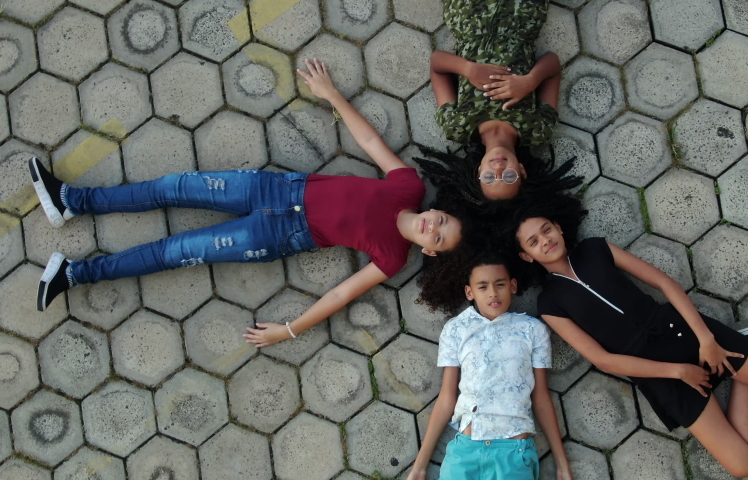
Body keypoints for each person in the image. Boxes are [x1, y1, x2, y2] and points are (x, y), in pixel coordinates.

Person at [32, 59, 466, 348]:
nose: (435, 227)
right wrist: (331, 94)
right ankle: (70, 200)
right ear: (435, 209)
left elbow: (340, 293)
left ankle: (74, 274)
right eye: (442, 220)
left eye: (440, 239)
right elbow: (369, 140)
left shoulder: (392, 257)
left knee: (178, 251)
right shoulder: (408, 186)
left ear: (430, 252)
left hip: (276, 235)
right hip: (273, 190)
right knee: (172, 187)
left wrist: (289, 330)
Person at [508, 200, 748, 478]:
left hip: (682, 332)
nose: (545, 241)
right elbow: (603, 360)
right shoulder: (548, 302)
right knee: (744, 466)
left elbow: (665, 284)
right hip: (659, 376)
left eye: (547, 230)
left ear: (559, 227)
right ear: (527, 256)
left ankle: (740, 353)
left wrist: (707, 339)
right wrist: (678, 372)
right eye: (534, 242)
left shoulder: (596, 249)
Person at [408, 252, 572, 480]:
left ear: (513, 286)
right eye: (483, 286)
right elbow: (446, 397)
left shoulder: (532, 330)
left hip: (514, 454)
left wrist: (561, 463)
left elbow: (541, 397)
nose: (493, 293)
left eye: (500, 284)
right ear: (470, 292)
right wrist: (420, 466)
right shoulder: (456, 329)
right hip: (465, 453)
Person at [427, 0, 562, 200]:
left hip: (467, 13)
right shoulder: (537, 130)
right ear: (522, 171)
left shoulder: (457, 126)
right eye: (509, 176)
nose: (498, 168)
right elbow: (554, 65)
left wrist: (468, 69)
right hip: (522, 14)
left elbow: (436, 63)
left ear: (478, 171)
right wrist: (531, 81)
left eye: (489, 177)